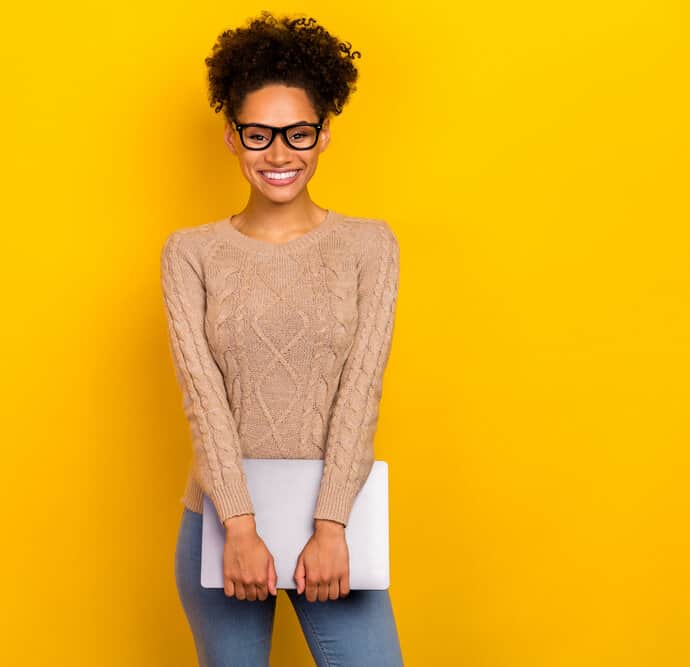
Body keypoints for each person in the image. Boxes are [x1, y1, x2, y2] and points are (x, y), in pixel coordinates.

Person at [159, 10, 404, 666]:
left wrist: (331, 525)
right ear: (231, 139)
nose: (278, 153)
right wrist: (238, 524)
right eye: (259, 134)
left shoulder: (367, 245)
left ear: (324, 134)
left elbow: (361, 391)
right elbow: (203, 399)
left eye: (297, 133)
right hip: (221, 523)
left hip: (335, 519)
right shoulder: (191, 253)